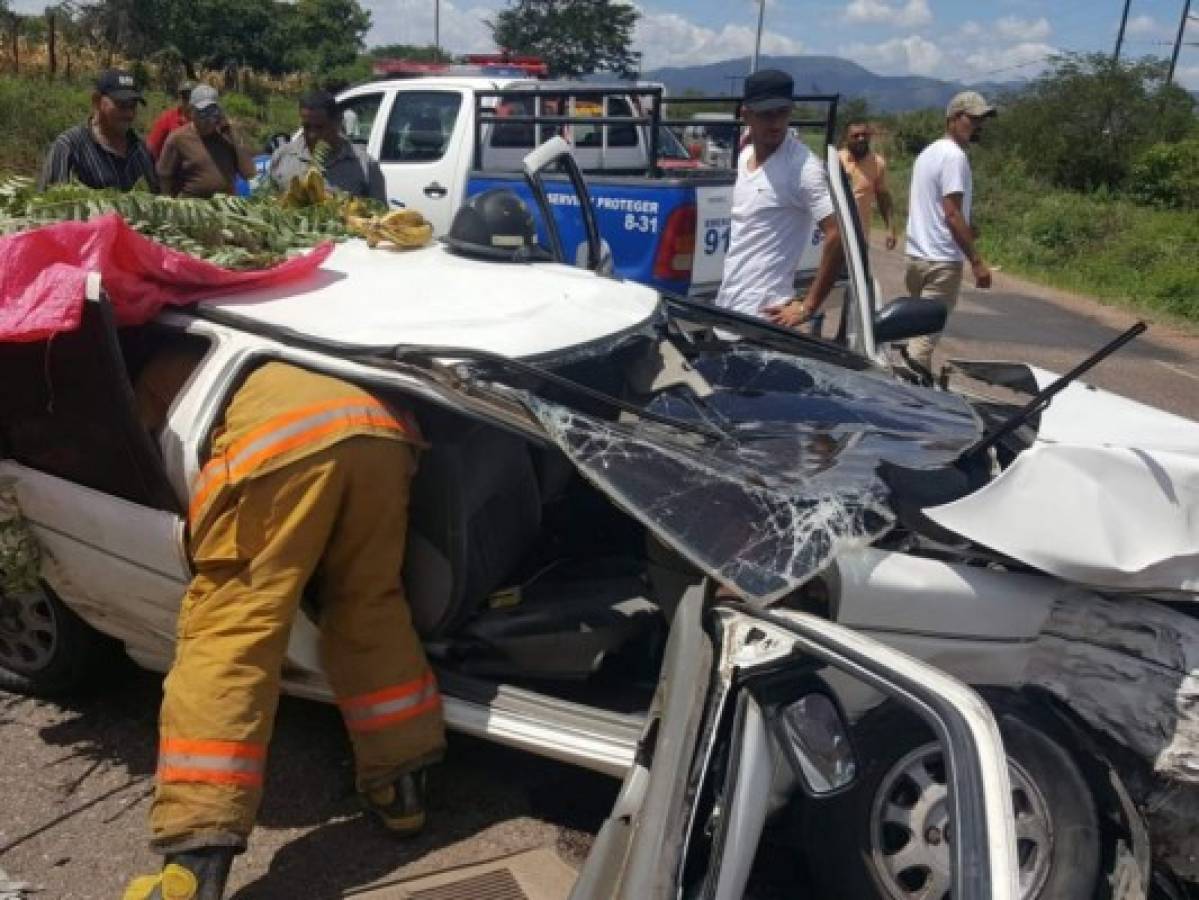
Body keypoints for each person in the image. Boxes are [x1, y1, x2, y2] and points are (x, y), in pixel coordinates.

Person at [123, 358, 445, 900]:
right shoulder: (281, 334)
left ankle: (190, 868)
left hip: (283, 445)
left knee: (234, 633)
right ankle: (402, 786)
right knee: (370, 602)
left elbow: (132, 459)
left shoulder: (155, 355)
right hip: (383, 432)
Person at [714, 68, 843, 330]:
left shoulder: (802, 167)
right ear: (746, 114)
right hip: (730, 308)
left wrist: (808, 305)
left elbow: (837, 234)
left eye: (781, 112)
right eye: (765, 114)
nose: (775, 122)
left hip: (768, 319)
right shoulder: (745, 157)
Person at [902, 91, 996, 375]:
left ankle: (917, 383)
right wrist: (977, 262)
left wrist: (968, 225)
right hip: (941, 261)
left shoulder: (928, 153)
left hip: (916, 257)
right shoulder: (955, 157)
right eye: (973, 119)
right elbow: (951, 213)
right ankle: (908, 396)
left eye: (982, 120)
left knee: (919, 331)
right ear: (954, 119)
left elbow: (938, 207)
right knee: (922, 343)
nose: (979, 126)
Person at [39, 69, 159, 192]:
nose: (129, 114)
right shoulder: (69, 148)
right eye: (121, 105)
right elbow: (51, 203)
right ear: (96, 101)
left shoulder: (142, 151)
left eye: (133, 106)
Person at [269, 90, 387, 203]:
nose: (312, 135)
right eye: (307, 127)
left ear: (337, 123)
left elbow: (383, 218)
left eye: (319, 127)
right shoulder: (283, 157)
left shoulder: (365, 165)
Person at [156, 85, 256, 199]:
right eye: (202, 113)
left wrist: (229, 131)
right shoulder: (178, 139)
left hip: (225, 210)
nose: (208, 119)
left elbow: (249, 174)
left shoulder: (226, 136)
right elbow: (164, 177)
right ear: (192, 111)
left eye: (212, 112)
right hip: (193, 210)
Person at [839, 122, 897, 250]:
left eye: (865, 135)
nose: (861, 138)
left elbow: (883, 198)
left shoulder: (877, 163)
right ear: (846, 138)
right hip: (836, 234)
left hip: (860, 237)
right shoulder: (836, 160)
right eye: (856, 135)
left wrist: (890, 229)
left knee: (860, 270)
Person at [147, 81, 195, 159]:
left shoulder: (204, 122)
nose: (189, 102)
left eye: (192, 98)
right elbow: (152, 148)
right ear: (180, 98)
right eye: (185, 97)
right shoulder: (168, 118)